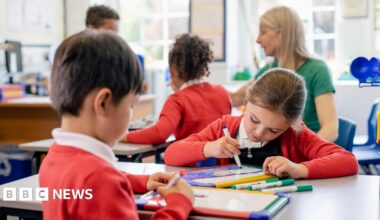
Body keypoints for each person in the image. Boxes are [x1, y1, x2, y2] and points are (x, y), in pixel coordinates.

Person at [39, 30, 194, 219]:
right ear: (103, 102)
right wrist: (179, 203)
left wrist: (142, 181)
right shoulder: (100, 180)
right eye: (130, 105)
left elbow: (94, 184)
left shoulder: (54, 159)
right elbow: (100, 183)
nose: (130, 113)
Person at [165, 68, 358, 179]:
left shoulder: (295, 134)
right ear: (246, 103)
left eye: (273, 130)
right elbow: (171, 154)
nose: (258, 133)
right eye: (254, 119)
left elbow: (348, 161)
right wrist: (209, 147)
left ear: (291, 124)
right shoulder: (224, 127)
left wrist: (300, 169)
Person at [230, 6, 338, 142]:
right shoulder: (270, 69)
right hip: (280, 152)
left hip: (304, 150)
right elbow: (235, 98)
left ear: (282, 34)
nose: (258, 40)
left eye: (263, 32)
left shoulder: (317, 70)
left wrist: (304, 156)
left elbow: (331, 129)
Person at [123, 33, 232, 144]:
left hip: (191, 159)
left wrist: (125, 137)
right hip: (223, 160)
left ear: (173, 70)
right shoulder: (222, 92)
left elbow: (159, 134)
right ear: (204, 67)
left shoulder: (178, 99)